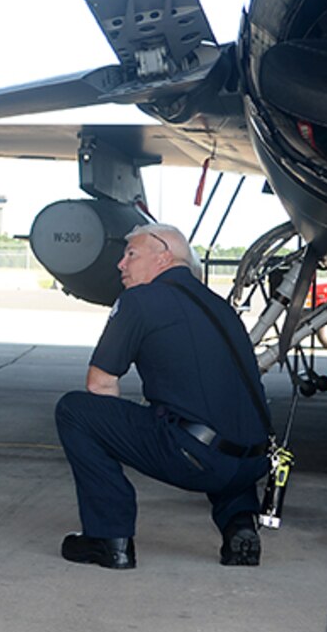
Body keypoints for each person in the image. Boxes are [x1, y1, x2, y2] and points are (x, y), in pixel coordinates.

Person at [52, 223, 271, 570]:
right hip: (253, 463)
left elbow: (101, 386)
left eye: (131, 254)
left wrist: (124, 435)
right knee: (220, 418)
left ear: (163, 257)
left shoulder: (141, 300)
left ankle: (109, 538)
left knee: (76, 410)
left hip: (196, 459)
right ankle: (239, 526)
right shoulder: (219, 307)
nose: (120, 264)